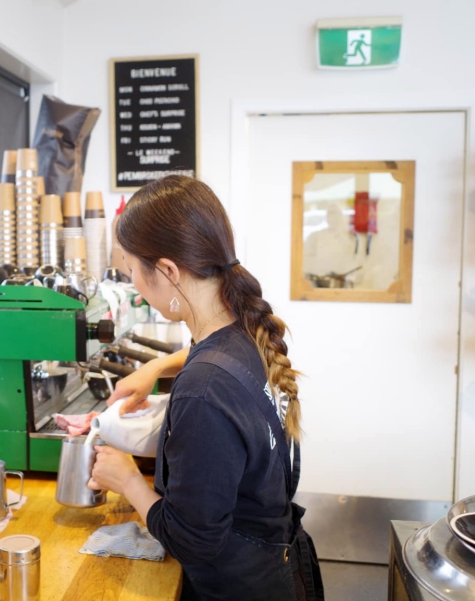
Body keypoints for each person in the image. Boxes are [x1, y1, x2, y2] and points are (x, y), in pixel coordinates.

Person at [88, 175, 324, 601]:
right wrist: (158, 365)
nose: (135, 290)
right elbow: (208, 360)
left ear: (167, 271)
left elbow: (192, 542)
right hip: (279, 567)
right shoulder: (243, 328)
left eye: (132, 271)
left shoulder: (204, 390)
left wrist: (128, 481)